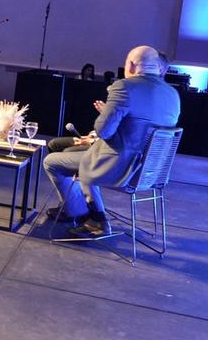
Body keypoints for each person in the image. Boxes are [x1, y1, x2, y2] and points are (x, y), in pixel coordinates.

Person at [44, 45, 181, 237]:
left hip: (119, 167)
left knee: (52, 162)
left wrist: (108, 113)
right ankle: (92, 213)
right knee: (71, 154)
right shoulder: (172, 94)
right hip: (151, 171)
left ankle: (84, 215)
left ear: (131, 65)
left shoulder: (125, 86)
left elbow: (104, 130)